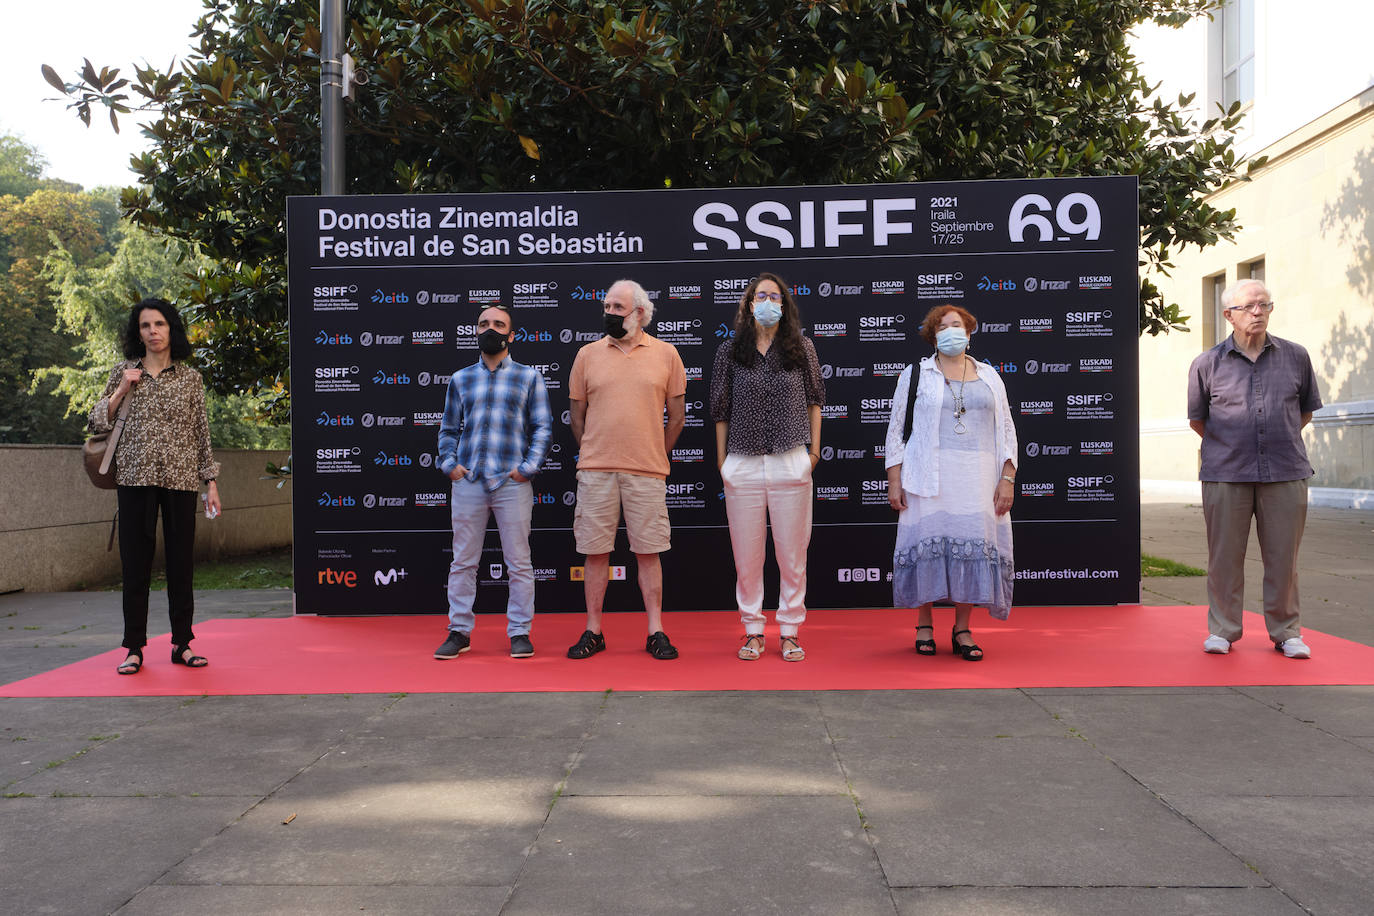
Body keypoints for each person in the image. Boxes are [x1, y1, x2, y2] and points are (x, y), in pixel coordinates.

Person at [1187, 279, 1322, 659]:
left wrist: (1274, 438)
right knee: (1224, 558)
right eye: (1249, 306)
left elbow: (1305, 411)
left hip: (1286, 470)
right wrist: (1236, 443)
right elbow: (1199, 419)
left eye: (1265, 305)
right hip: (1226, 472)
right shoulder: (1206, 364)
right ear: (1229, 315)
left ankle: (1286, 632)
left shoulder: (1296, 357)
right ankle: (1223, 630)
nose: (1258, 312)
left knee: (1284, 558)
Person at [88, 298, 220, 675]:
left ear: (171, 329)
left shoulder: (190, 378)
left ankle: (183, 643)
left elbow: (201, 434)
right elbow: (95, 421)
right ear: (138, 333)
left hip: (180, 479)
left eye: (159, 324)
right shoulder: (124, 372)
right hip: (134, 478)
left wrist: (210, 482)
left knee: (181, 565)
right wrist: (118, 393)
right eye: (145, 326)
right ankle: (133, 648)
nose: (153, 332)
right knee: (135, 566)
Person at [884, 304, 1017, 660]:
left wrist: (1008, 477)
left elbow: (1006, 429)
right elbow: (896, 431)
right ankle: (924, 624)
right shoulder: (915, 374)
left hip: (977, 479)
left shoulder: (990, 376)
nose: (950, 331)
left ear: (969, 333)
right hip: (927, 476)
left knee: (971, 547)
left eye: (957, 325)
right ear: (933, 336)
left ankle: (962, 629)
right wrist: (894, 479)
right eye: (942, 327)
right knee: (928, 544)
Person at [566, 279, 687, 660]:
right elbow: (576, 416)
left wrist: (654, 454)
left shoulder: (667, 355)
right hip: (596, 471)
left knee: (649, 553)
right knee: (595, 553)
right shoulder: (587, 354)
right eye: (607, 307)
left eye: (617, 308)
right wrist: (594, 451)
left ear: (640, 313)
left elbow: (678, 417)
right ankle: (593, 629)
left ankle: (656, 630)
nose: (609, 313)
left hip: (647, 472)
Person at [709, 272, 825, 662]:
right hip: (741, 462)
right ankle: (753, 630)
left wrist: (813, 454)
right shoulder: (729, 350)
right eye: (761, 295)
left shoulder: (801, 347)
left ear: (785, 304)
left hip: (791, 459)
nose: (768, 302)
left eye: (775, 296)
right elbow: (720, 410)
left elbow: (815, 400)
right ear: (748, 302)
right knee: (747, 555)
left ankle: (790, 630)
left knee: (793, 554)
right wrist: (723, 462)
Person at [434, 305, 553, 660]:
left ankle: (519, 632)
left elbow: (543, 427)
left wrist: (527, 468)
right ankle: (459, 631)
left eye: (498, 324)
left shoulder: (529, 378)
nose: (490, 329)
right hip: (468, 481)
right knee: (463, 562)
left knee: (518, 562)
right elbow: (448, 428)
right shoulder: (460, 379)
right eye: (484, 324)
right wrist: (450, 464)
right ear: (475, 331)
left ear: (511, 334)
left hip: (511, 483)